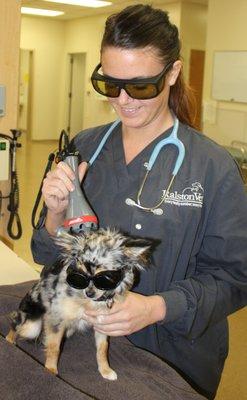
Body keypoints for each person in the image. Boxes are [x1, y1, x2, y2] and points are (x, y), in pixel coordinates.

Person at [31, 4, 247, 399]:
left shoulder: (212, 168)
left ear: (173, 74)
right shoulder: (86, 148)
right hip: (88, 346)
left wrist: (156, 307)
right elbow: (49, 254)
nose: (124, 100)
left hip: (174, 358)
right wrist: (55, 213)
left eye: (141, 86)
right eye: (110, 85)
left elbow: (236, 278)